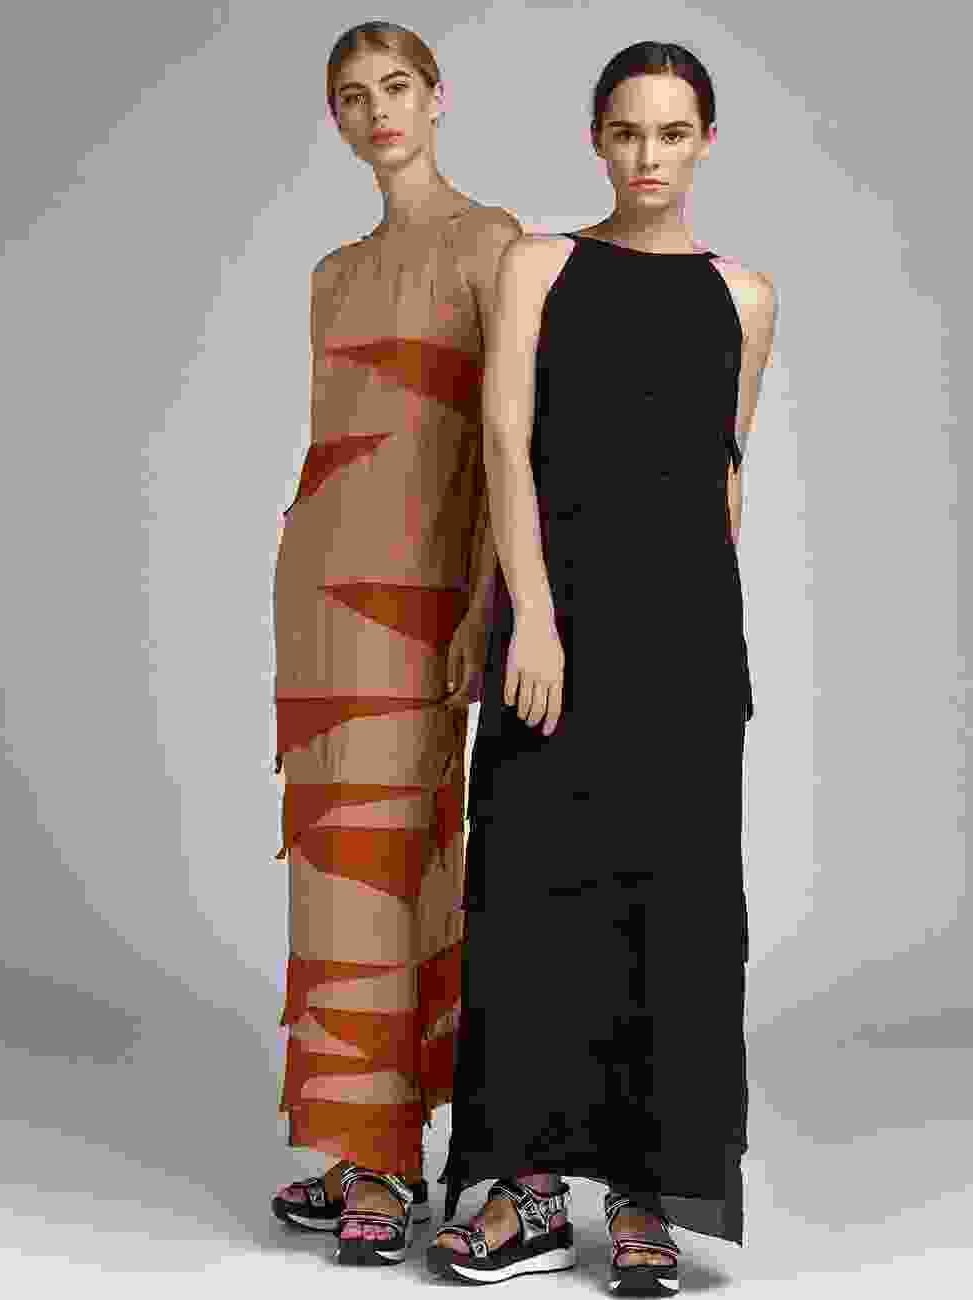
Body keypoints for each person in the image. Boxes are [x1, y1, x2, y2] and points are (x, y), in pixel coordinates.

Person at [427, 40, 777, 1293]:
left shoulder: (744, 296)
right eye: (626, 131)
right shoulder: (538, 266)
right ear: (595, 137)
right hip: (556, 624)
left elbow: (723, 476)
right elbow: (504, 445)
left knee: (671, 915)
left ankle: (643, 1195)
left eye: (672, 133)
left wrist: (706, 651)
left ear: (705, 142)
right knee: (532, 895)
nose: (647, 156)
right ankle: (525, 1191)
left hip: (687, 645)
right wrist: (531, 616)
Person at [269, 21, 520, 1266]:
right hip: (318, 593)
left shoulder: (493, 244)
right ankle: (357, 1145)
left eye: (397, 87)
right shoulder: (329, 274)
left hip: (422, 595)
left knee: (404, 859)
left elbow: (507, 446)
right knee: (331, 870)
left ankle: (394, 1154)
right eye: (353, 97)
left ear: (436, 97)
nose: (377, 112)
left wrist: (483, 601)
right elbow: (333, 441)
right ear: (337, 119)